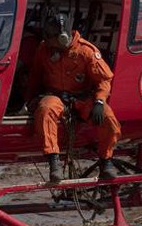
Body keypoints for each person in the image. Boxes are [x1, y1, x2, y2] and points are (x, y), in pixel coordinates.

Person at [26, 13, 121, 182]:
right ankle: (54, 160)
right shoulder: (44, 49)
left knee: (109, 120)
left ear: (62, 38)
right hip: (55, 96)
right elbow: (35, 76)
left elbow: (105, 79)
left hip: (83, 99)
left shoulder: (86, 52)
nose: (46, 41)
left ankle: (106, 161)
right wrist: (30, 99)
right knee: (45, 110)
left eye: (49, 38)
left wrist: (99, 101)